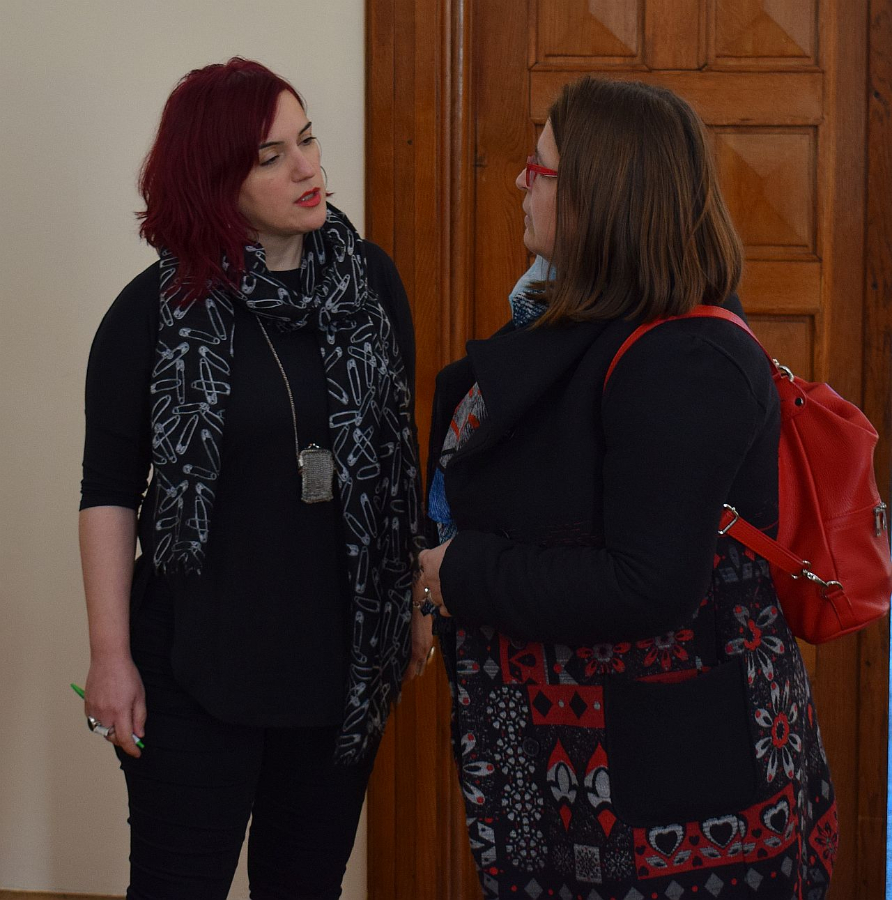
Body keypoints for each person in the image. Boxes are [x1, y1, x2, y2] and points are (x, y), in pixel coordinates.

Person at [418, 76, 836, 898]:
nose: (520, 182)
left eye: (539, 168)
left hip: (677, 814)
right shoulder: (576, 323)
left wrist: (457, 573)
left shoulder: (688, 360)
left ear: (599, 198)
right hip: (578, 784)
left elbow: (647, 584)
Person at [79, 58, 431, 900]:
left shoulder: (371, 283)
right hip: (194, 665)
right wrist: (110, 657)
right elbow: (109, 492)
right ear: (215, 180)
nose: (308, 168)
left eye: (306, 140)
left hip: (340, 663)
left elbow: (399, 453)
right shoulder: (151, 312)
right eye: (271, 157)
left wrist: (414, 596)